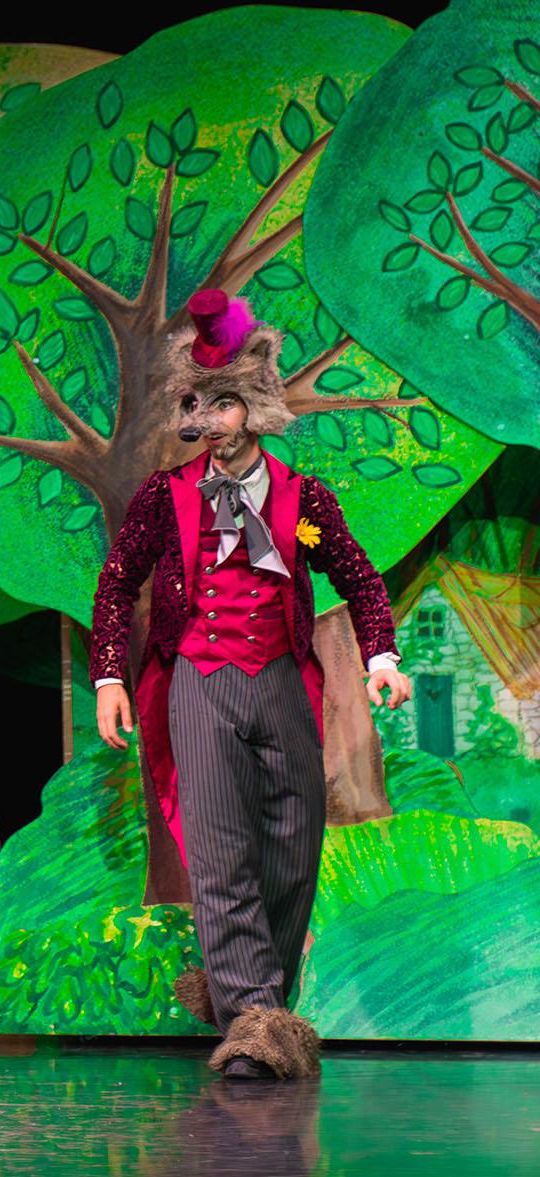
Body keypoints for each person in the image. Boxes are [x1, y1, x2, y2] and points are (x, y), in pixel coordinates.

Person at [90, 291, 409, 1080]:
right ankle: (251, 1033)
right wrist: (107, 674)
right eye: (196, 402)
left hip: (279, 682)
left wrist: (380, 658)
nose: (208, 418)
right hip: (198, 681)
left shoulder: (301, 507)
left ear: (254, 407)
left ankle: (253, 1003)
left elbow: (358, 579)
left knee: (294, 849)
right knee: (222, 852)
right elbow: (116, 582)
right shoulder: (167, 500)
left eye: (224, 402)